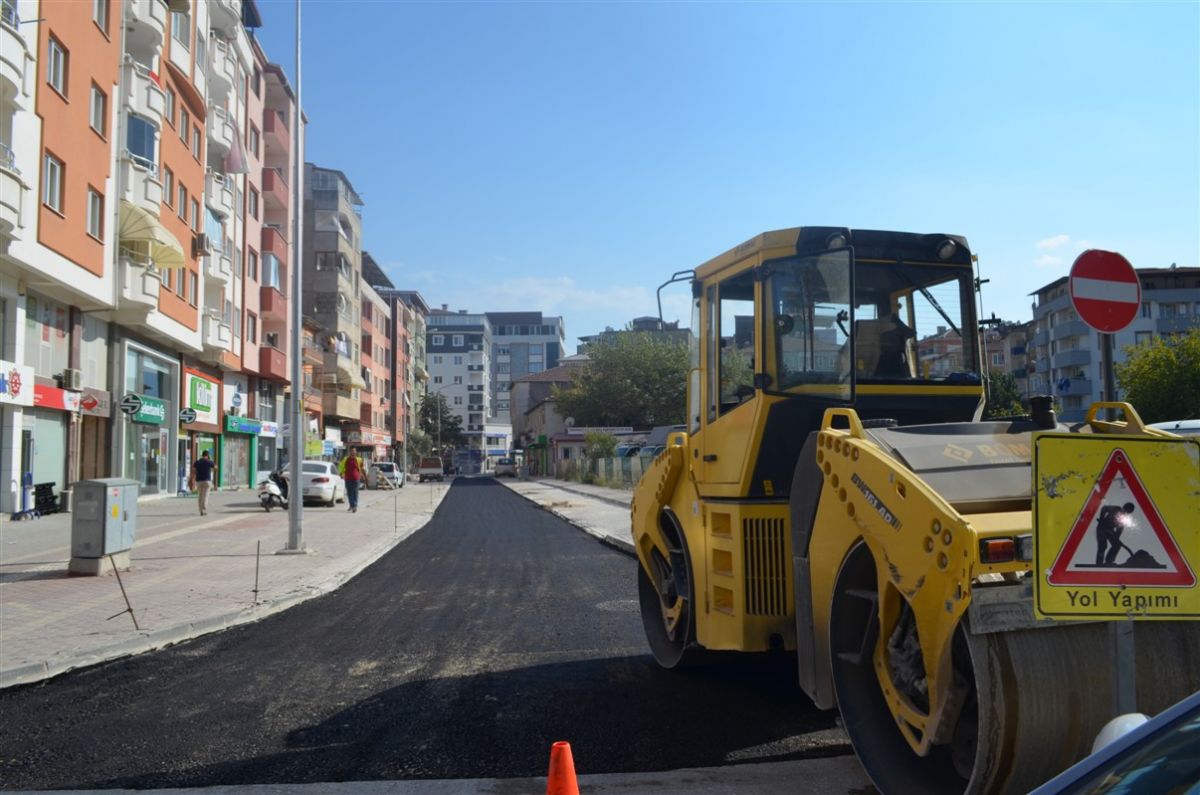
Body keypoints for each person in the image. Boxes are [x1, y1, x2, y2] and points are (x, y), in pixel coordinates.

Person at [190, 450, 216, 516]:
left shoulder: (197, 462)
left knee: (200, 496)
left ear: (202, 455)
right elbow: (216, 467)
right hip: (207, 481)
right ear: (207, 456)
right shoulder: (209, 462)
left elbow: (193, 470)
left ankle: (200, 510)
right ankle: (203, 510)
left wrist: (192, 479)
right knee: (205, 496)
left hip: (199, 481)